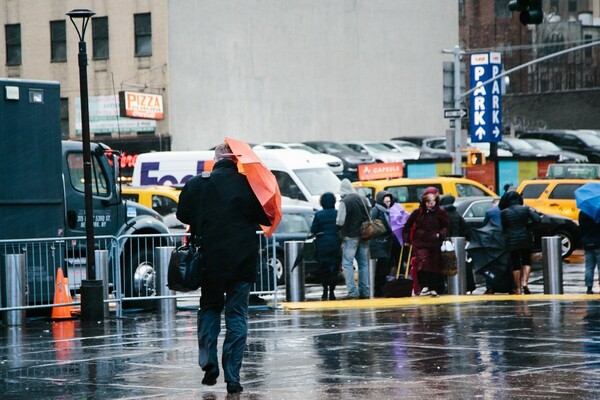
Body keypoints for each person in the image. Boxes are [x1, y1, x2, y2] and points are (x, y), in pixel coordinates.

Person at [176, 142, 271, 394]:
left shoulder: (198, 183)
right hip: (242, 262)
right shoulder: (249, 185)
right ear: (237, 160)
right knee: (237, 315)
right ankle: (233, 378)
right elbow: (266, 217)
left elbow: (182, 215)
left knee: (209, 307)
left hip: (211, 261)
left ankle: (209, 363)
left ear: (216, 158)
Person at [402, 187, 450, 297]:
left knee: (433, 265)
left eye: (432, 202)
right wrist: (406, 240)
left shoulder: (440, 212)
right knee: (422, 263)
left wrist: (440, 234)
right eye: (427, 202)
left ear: (436, 201)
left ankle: (432, 288)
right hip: (420, 242)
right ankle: (424, 286)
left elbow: (446, 227)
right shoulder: (418, 212)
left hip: (434, 243)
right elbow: (407, 226)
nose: (430, 205)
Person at [499, 190, 541, 295]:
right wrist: (527, 226)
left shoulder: (504, 212)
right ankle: (525, 283)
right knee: (526, 260)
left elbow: (504, 228)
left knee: (515, 263)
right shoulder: (526, 209)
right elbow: (538, 219)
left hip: (512, 239)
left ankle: (517, 288)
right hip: (525, 237)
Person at [337, 178, 371, 299]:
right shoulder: (363, 199)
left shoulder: (345, 201)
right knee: (363, 264)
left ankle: (352, 292)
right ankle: (365, 291)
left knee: (347, 263)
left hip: (350, 236)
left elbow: (340, 221)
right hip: (365, 235)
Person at [439, 194, 474, 293]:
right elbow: (465, 229)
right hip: (457, 244)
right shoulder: (456, 214)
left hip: (446, 243)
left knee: (446, 265)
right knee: (459, 265)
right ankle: (466, 286)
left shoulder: (442, 215)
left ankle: (447, 287)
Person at [310, 192, 341, 300]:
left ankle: (324, 291)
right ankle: (332, 292)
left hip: (322, 245)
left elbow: (313, 230)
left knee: (324, 269)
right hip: (335, 244)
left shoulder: (318, 215)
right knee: (334, 269)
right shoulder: (337, 213)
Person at [368, 191, 398, 297]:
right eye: (386, 201)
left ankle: (382, 288)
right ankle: (378, 289)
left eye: (389, 201)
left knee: (385, 266)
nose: (388, 203)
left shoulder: (389, 211)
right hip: (378, 242)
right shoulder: (376, 210)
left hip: (387, 242)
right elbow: (371, 225)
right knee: (381, 266)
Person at [579, 210, 600, 294]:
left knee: (589, 267)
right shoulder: (597, 212)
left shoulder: (582, 213)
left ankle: (589, 287)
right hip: (598, 243)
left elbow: (581, 227)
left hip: (587, 243)